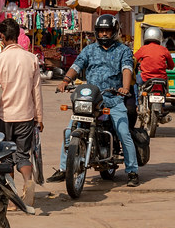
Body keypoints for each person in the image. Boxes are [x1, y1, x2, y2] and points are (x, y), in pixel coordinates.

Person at [48, 14, 140, 187]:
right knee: (70, 131)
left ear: (114, 32)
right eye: (101, 31)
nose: (104, 34)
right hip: (91, 98)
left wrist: (125, 88)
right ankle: (63, 168)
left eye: (107, 31)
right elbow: (77, 65)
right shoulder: (89, 49)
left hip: (113, 99)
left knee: (124, 132)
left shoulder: (123, 50)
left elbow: (127, 69)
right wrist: (65, 81)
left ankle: (132, 171)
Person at [0, 18, 43, 207]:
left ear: (1, 36)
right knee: (23, 156)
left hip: (3, 116)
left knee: (6, 156)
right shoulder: (31, 58)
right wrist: (39, 117)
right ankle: (28, 182)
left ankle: (12, 197)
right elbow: (37, 91)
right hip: (26, 115)